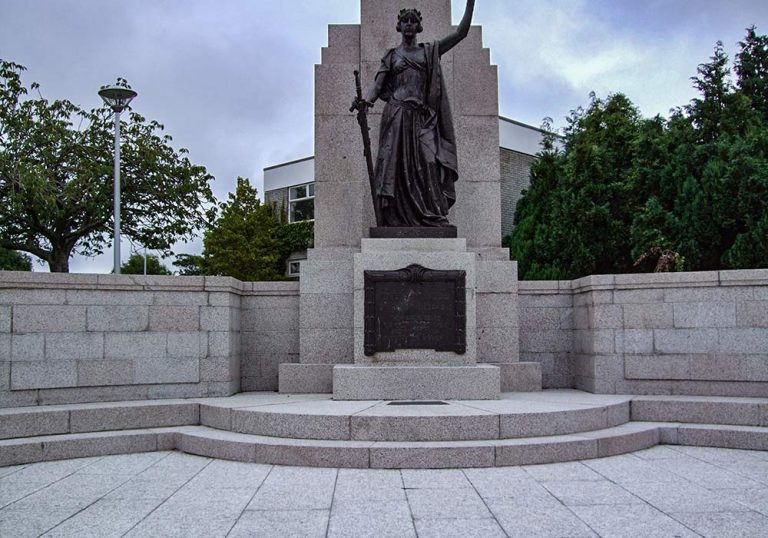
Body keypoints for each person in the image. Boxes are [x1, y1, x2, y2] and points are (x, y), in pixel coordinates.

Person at [352, 1, 475, 227]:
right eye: (405, 21)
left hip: (421, 119)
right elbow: (377, 86)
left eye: (413, 21)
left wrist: (471, 3)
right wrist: (366, 102)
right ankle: (393, 218)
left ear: (419, 26)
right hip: (396, 115)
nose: (409, 24)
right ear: (399, 26)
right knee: (393, 166)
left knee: (429, 162)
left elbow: (461, 32)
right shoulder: (392, 56)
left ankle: (431, 215)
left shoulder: (429, 51)